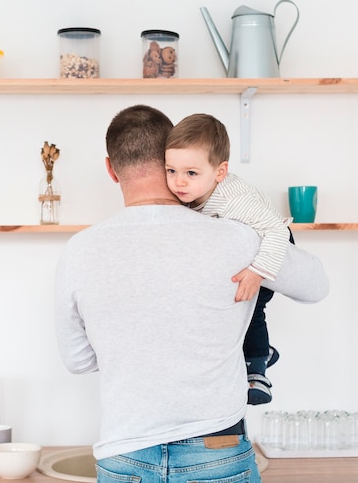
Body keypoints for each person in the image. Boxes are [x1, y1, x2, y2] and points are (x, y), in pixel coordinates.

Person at [55, 104, 328, 483]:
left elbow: (78, 360)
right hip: (218, 448)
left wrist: (141, 351)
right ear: (169, 155)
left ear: (111, 168)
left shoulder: (80, 250)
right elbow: (316, 286)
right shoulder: (238, 236)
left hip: (125, 453)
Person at [164, 113, 291, 405]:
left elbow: (275, 230)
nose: (178, 182)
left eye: (191, 173)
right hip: (243, 247)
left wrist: (259, 270)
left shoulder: (234, 198)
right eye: (171, 171)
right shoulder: (190, 195)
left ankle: (257, 369)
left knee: (253, 305)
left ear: (220, 172)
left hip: (271, 239)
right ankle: (262, 352)